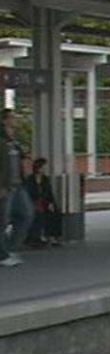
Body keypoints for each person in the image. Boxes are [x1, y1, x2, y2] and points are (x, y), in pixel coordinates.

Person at [0, 109, 33, 266]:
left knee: (26, 214)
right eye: (13, 117)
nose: (16, 120)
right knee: (3, 220)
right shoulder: (2, 140)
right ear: (4, 120)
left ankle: (10, 248)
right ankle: (3, 254)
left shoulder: (14, 141)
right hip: (5, 186)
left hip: (18, 184)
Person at [24, 158, 63, 247]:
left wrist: (51, 203)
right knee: (39, 214)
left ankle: (53, 236)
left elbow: (49, 193)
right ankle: (37, 237)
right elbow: (29, 194)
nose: (45, 169)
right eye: (44, 167)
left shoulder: (45, 179)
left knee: (56, 213)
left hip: (44, 202)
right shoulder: (30, 179)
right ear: (38, 168)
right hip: (34, 203)